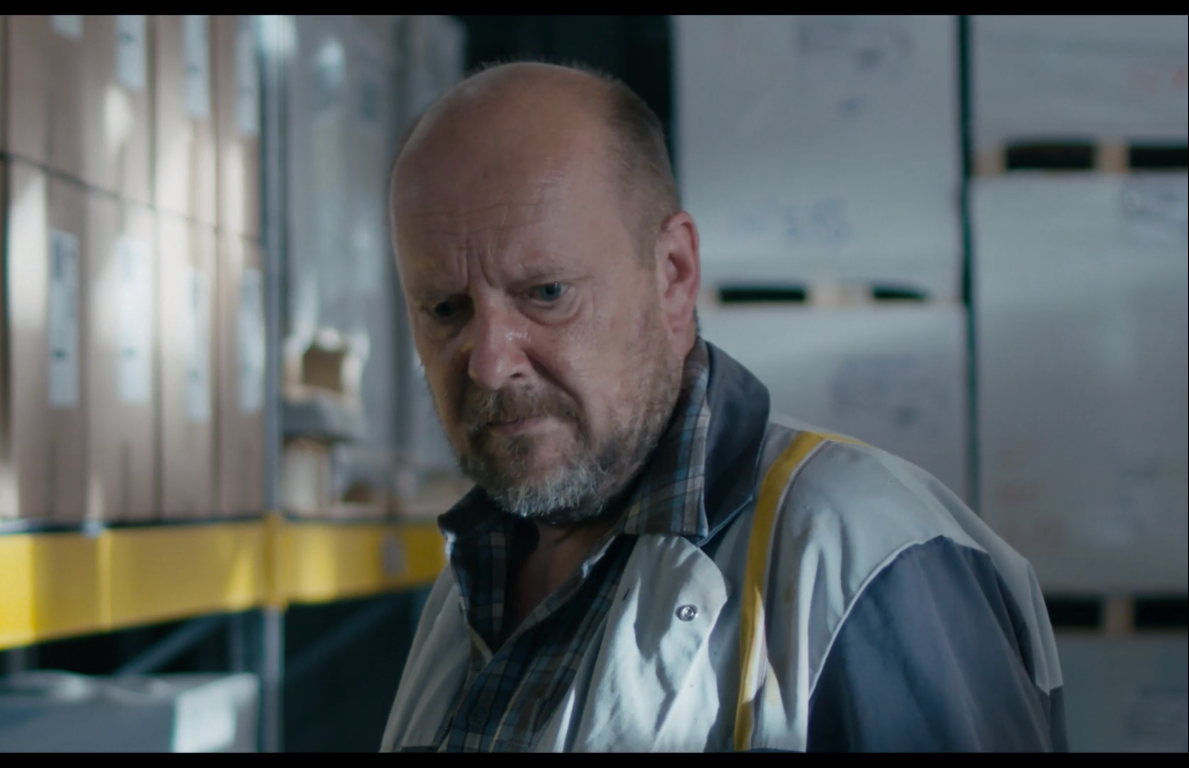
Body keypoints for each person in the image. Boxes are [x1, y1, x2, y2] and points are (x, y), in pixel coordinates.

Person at [380, 60, 1066, 753]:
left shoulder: (866, 563)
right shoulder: (471, 583)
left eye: (547, 293)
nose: (490, 362)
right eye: (444, 308)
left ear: (673, 275)